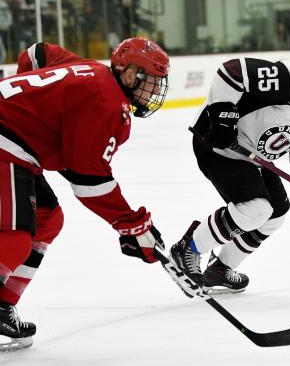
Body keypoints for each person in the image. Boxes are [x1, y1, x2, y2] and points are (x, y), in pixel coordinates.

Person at [0, 37, 169, 350]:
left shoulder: (89, 70)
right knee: (15, 236)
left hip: (15, 146)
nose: (155, 91)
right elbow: (90, 182)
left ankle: (2, 304)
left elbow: (37, 53)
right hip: (6, 144)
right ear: (130, 75)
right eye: (152, 82)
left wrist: (27, 97)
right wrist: (131, 224)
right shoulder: (109, 103)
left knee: (48, 219)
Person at [170, 34, 290, 294]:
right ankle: (188, 249)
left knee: (276, 213)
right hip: (217, 145)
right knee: (256, 209)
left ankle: (220, 269)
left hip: (253, 157)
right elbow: (232, 71)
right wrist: (223, 113)